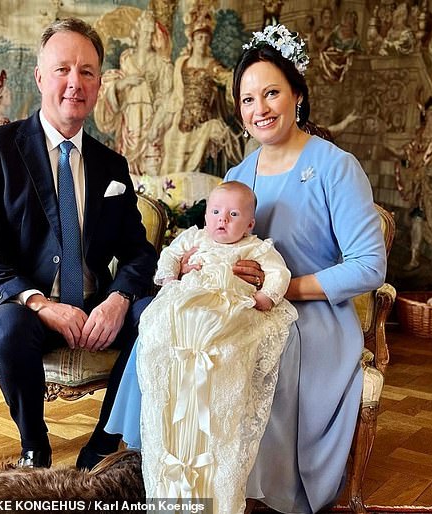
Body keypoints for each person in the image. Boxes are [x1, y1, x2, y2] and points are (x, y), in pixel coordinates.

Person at [108, 23, 386, 514]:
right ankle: (181, 466)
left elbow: (369, 266)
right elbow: (215, 242)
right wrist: (193, 266)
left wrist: (287, 289)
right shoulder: (239, 174)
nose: (260, 109)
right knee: (168, 323)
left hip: (310, 312)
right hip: (231, 302)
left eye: (272, 93)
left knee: (247, 346)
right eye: (248, 99)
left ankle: (251, 482)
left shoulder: (336, 166)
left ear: (297, 94)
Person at [0, 17, 158, 471]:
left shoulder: (111, 165)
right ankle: (34, 447)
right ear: (40, 76)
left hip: (95, 309)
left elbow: (139, 251)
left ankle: (104, 442)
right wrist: (39, 302)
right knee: (7, 325)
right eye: (62, 69)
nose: (75, 82)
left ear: (100, 84)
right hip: (23, 306)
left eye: (87, 72)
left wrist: (120, 299)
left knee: (157, 315)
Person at [108, 181, 297, 513]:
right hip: (186, 306)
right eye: (215, 212)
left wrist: (266, 296)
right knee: (156, 329)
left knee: (231, 338)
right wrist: (170, 278)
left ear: (250, 224)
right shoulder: (194, 238)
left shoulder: (255, 248)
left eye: (234, 214)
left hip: (229, 308)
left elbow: (278, 272)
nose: (222, 219)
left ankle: (215, 445)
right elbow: (168, 256)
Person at [159, 5, 242, 175]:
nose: (202, 42)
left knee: (213, 137)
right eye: (199, 38)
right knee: (170, 140)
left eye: (205, 38)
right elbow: (176, 95)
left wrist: (235, 77)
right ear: (192, 39)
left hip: (203, 121)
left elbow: (225, 77)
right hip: (182, 121)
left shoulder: (211, 65)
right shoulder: (182, 63)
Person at [93, 10, 173, 175]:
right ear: (137, 32)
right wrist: (123, 83)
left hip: (149, 113)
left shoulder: (159, 62)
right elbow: (117, 85)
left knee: (149, 163)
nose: (146, 37)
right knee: (126, 163)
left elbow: (164, 94)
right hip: (130, 114)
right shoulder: (127, 57)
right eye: (143, 32)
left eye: (150, 33)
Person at [387, 98, 432, 270]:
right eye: (431, 112)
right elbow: (408, 155)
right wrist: (393, 151)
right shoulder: (418, 135)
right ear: (425, 114)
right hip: (420, 187)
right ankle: (414, 257)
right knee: (417, 219)